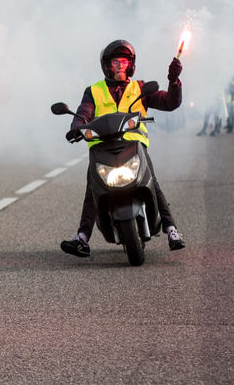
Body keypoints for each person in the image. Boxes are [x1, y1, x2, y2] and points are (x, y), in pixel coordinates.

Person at [59, 39, 186, 257]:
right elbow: (83, 112)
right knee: (92, 187)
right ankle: (82, 237)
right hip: (103, 148)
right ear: (107, 66)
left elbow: (170, 103)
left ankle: (172, 230)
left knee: (152, 181)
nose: (120, 66)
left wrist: (174, 81)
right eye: (115, 62)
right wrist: (76, 127)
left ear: (131, 65)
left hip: (133, 145)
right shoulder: (94, 91)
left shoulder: (140, 88)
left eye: (124, 62)